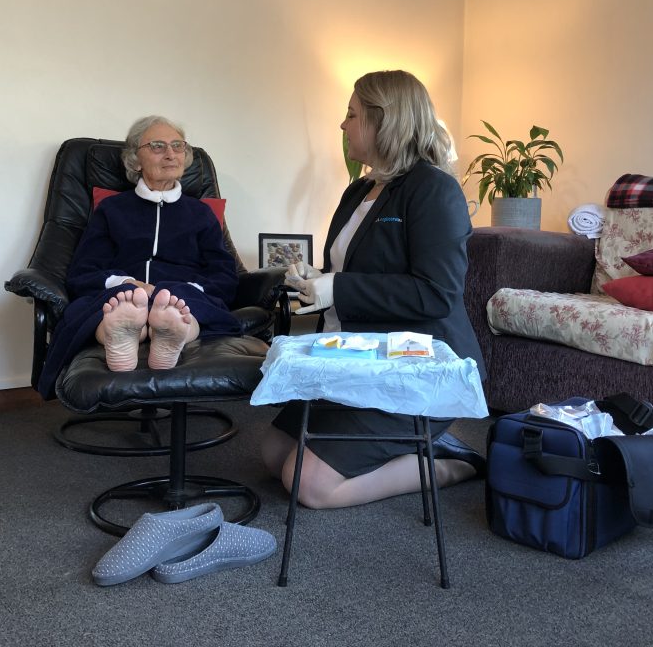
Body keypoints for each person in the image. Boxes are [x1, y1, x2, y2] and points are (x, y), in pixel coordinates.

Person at [260, 70, 488, 509]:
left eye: (352, 114)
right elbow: (354, 269)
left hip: (414, 371)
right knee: (272, 454)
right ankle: (406, 449)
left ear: (386, 121)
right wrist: (318, 276)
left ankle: (446, 463)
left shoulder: (433, 190)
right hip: (357, 361)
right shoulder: (359, 190)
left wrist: (338, 288)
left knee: (308, 484)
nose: (343, 125)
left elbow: (437, 293)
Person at [36, 115, 241, 400]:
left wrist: (167, 293)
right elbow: (84, 270)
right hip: (122, 293)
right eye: (157, 146)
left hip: (182, 293)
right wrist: (130, 284)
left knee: (179, 305)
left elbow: (223, 275)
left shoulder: (201, 214)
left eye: (177, 146)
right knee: (121, 303)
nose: (170, 154)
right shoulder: (111, 210)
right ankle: (121, 332)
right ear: (135, 160)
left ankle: (169, 330)